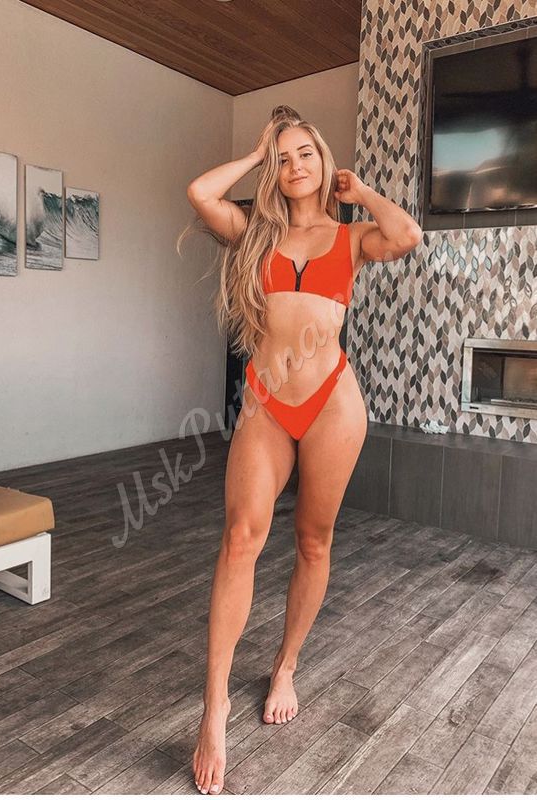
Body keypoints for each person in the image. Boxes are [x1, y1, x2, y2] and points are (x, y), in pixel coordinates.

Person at [180, 105, 422, 795]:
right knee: (239, 539)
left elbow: (407, 234)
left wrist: (360, 190)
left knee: (313, 542)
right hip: (266, 402)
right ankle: (215, 707)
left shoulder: (350, 237)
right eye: (282, 158)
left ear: (324, 161)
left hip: (332, 405)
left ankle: (285, 667)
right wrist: (255, 155)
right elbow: (200, 193)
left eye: (303, 154)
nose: (294, 166)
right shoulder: (254, 232)